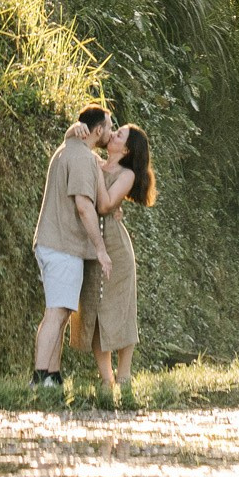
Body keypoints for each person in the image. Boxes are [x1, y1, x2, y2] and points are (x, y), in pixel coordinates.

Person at [69, 122, 156, 397]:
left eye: (119, 135)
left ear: (126, 148)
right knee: (94, 307)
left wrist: (96, 171)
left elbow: (105, 206)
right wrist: (76, 129)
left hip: (116, 249)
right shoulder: (94, 161)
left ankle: (125, 374)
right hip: (93, 248)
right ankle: (106, 379)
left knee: (122, 308)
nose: (113, 134)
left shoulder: (126, 174)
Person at [31, 106, 113, 387]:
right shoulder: (80, 157)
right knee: (56, 313)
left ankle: (52, 376)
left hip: (58, 244)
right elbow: (84, 206)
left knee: (61, 311)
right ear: (98, 130)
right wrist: (101, 249)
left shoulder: (72, 149)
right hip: (61, 245)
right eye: (110, 128)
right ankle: (40, 378)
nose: (112, 133)